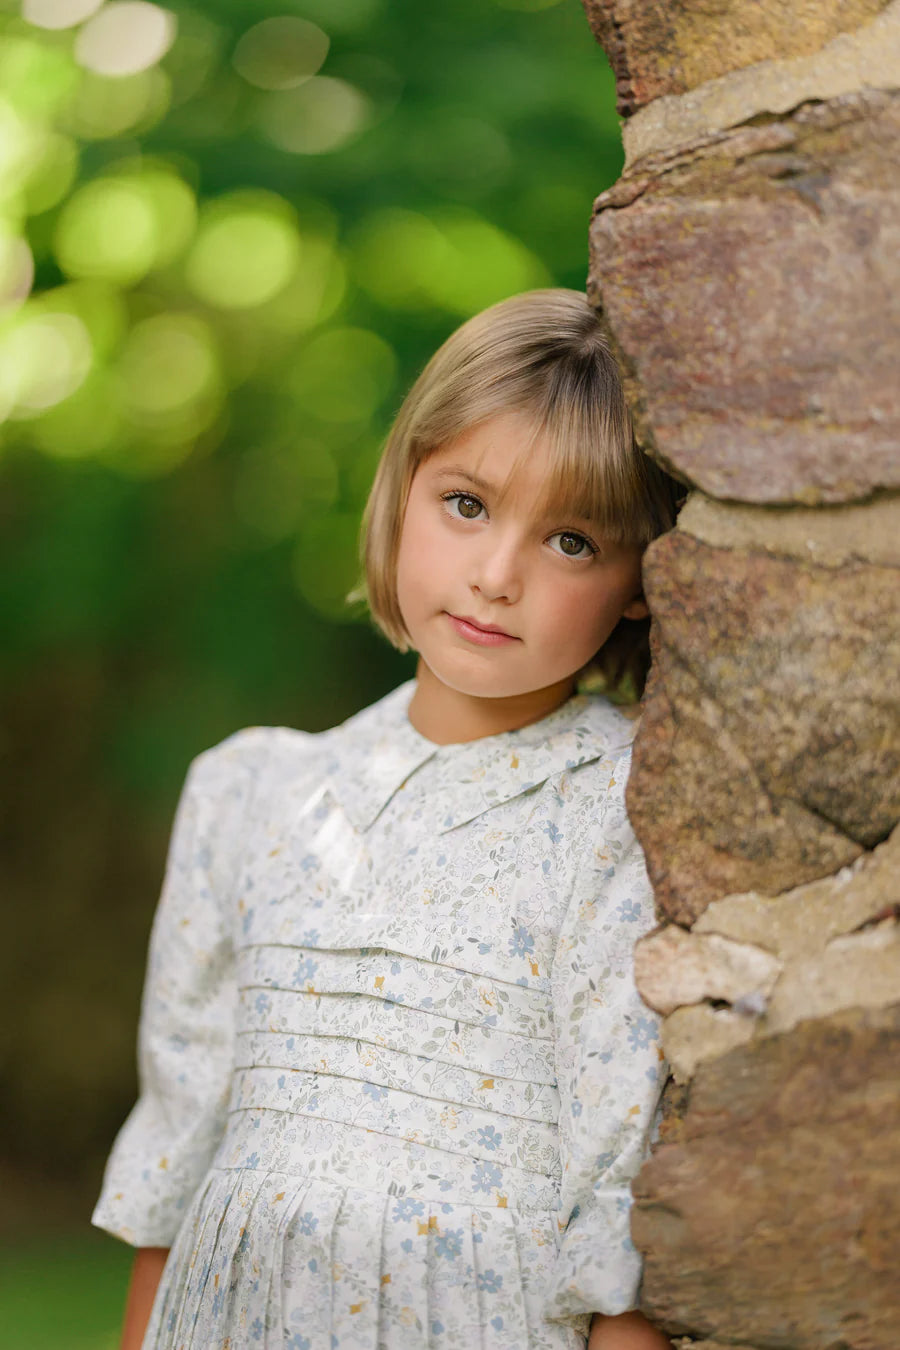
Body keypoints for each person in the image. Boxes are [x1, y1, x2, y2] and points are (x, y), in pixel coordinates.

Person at [93, 289, 679, 1350]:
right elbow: (172, 1179)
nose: (496, 576)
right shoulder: (253, 797)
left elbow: (618, 1179)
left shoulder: (622, 806)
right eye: (467, 505)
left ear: (639, 580)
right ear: (404, 484)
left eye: (572, 541)